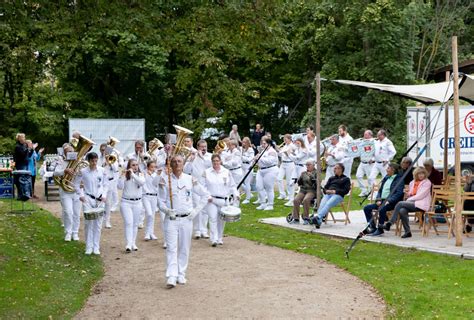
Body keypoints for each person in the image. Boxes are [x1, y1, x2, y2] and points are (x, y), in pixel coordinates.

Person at [158, 155, 210, 288]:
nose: (177, 164)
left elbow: (205, 195)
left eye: (179, 161)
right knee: (171, 248)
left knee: (184, 247)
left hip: (187, 218)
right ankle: (171, 275)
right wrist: (166, 210)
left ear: (183, 163)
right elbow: (160, 201)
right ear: (171, 164)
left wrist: (195, 211)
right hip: (171, 219)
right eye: (174, 162)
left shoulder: (190, 179)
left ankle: (181, 273)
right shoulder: (165, 179)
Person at [74, 152, 109, 255]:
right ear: (88, 161)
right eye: (92, 161)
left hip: (99, 199)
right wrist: (81, 195)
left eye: (95, 160)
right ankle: (88, 247)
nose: (94, 163)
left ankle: (96, 246)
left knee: (98, 224)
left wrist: (104, 195)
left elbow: (106, 184)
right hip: (88, 199)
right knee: (88, 223)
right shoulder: (83, 171)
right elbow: (76, 184)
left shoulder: (102, 171)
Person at [201, 154, 239, 247]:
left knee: (221, 220)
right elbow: (202, 186)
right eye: (214, 161)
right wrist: (207, 195)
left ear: (220, 161)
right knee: (213, 218)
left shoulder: (226, 172)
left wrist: (236, 194)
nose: (216, 163)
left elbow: (232, 186)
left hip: (223, 200)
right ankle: (213, 239)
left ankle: (219, 238)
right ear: (211, 162)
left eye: (217, 161)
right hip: (212, 199)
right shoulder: (207, 172)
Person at [383, 167, 432, 238]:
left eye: (423, 174)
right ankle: (408, 232)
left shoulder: (427, 182)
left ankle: (390, 223)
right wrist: (407, 193)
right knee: (402, 210)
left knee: (400, 203)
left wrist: (408, 200)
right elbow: (412, 193)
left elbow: (420, 195)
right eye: (419, 174)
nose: (421, 175)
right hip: (413, 203)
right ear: (416, 175)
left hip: (421, 204)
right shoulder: (413, 182)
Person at [362, 163, 405, 236]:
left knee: (382, 208)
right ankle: (372, 227)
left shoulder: (399, 180)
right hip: (382, 201)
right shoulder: (386, 178)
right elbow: (380, 191)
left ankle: (380, 229)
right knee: (366, 208)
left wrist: (388, 201)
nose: (386, 169)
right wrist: (378, 199)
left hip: (392, 203)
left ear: (393, 170)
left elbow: (399, 193)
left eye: (388, 168)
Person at [183, 139, 212, 239]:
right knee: (197, 207)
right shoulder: (193, 156)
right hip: (195, 185)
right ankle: (197, 230)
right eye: (202, 147)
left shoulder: (209, 156)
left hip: (206, 185)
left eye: (205, 147)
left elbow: (211, 166)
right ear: (198, 147)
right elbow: (186, 170)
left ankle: (204, 230)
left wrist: (202, 157)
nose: (204, 149)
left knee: (205, 209)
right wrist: (191, 159)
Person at [54, 143, 82, 241]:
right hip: (65, 190)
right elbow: (55, 172)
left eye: (71, 151)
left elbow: (84, 172)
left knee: (77, 213)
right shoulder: (60, 160)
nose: (70, 153)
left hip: (76, 190)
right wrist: (65, 171)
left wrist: (78, 171)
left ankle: (75, 233)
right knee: (68, 212)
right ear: (64, 153)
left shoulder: (79, 160)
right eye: (68, 152)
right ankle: (68, 232)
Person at [310, 163, 351, 227]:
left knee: (328, 204)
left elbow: (346, 191)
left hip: (338, 196)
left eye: (335, 168)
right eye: (334, 168)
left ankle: (318, 217)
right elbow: (325, 188)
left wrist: (334, 191)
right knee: (322, 204)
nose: (334, 170)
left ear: (340, 169)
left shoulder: (346, 179)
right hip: (328, 195)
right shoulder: (331, 178)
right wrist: (326, 191)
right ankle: (318, 221)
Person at [118, 159, 145, 252]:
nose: (135, 167)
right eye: (133, 165)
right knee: (129, 222)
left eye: (137, 165)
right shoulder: (125, 175)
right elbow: (120, 187)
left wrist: (133, 174)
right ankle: (128, 244)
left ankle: (133, 243)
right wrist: (121, 176)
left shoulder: (140, 175)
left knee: (135, 224)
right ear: (129, 166)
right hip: (126, 202)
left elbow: (141, 183)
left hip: (137, 202)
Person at [126, 140, 147, 229]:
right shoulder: (130, 155)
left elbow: (149, 166)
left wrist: (143, 159)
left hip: (142, 178)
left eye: (140, 147)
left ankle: (140, 221)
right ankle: (133, 219)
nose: (138, 149)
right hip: (132, 178)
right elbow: (125, 165)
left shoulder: (147, 156)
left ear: (143, 147)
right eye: (136, 147)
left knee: (142, 200)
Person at [289, 159, 317, 225]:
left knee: (306, 200)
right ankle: (296, 218)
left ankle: (306, 218)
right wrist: (299, 179)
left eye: (309, 165)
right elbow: (300, 183)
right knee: (296, 200)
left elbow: (317, 183)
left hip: (311, 190)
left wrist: (311, 176)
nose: (307, 166)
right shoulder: (303, 173)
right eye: (306, 165)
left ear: (313, 165)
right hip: (303, 190)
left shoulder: (316, 173)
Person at [255, 137, 279, 211]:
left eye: (264, 143)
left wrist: (260, 158)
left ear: (269, 143)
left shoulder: (272, 151)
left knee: (269, 188)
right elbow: (260, 160)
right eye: (262, 143)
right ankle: (263, 203)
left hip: (270, 170)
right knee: (259, 187)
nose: (263, 145)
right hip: (261, 170)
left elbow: (269, 161)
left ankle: (270, 204)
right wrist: (256, 159)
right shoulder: (263, 151)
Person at [142, 161, 160, 241]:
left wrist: (156, 174)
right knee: (149, 214)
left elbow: (155, 183)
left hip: (154, 197)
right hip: (146, 196)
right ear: (148, 167)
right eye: (151, 167)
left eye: (154, 167)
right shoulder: (143, 174)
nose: (153, 169)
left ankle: (151, 233)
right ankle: (147, 233)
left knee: (152, 215)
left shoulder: (156, 175)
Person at [13, 133, 33, 200]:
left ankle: (24, 194)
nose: (24, 138)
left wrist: (32, 149)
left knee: (25, 179)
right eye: (23, 137)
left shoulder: (24, 145)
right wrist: (28, 148)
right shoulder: (17, 146)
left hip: (26, 164)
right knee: (21, 180)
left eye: (24, 137)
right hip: (20, 165)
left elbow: (29, 155)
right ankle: (21, 195)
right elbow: (23, 155)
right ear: (19, 138)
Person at [277, 134, 295, 205]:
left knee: (288, 180)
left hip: (290, 164)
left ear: (289, 139)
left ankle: (289, 195)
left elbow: (293, 154)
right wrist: (278, 150)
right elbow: (280, 155)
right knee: (279, 179)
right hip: (283, 164)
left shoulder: (293, 146)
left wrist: (288, 153)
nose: (284, 140)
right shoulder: (285, 146)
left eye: (285, 139)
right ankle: (282, 194)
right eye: (284, 139)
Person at [356, 130, 375, 197]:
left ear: (370, 135)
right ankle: (364, 191)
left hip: (369, 163)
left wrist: (373, 159)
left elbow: (377, 153)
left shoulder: (374, 142)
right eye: (364, 134)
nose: (364, 136)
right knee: (358, 176)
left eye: (366, 134)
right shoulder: (362, 142)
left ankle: (371, 193)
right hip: (362, 162)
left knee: (370, 178)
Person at [241, 137, 255, 204]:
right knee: (239, 181)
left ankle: (247, 198)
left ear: (247, 142)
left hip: (248, 166)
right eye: (242, 141)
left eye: (244, 142)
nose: (243, 143)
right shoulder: (242, 149)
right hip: (242, 166)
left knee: (247, 182)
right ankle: (248, 192)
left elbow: (250, 159)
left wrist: (242, 157)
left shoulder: (250, 150)